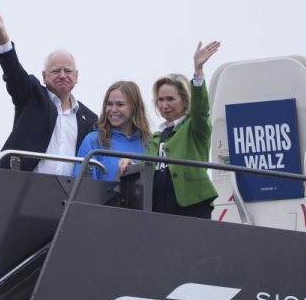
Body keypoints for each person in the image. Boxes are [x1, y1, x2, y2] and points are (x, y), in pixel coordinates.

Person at [0, 4, 97, 175]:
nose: (62, 75)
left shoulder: (89, 118)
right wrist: (2, 34)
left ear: (76, 76)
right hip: (24, 189)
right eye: (55, 71)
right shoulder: (32, 95)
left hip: (68, 195)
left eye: (67, 71)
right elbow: (13, 72)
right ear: (44, 76)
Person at [146, 41, 220, 218]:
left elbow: (201, 109)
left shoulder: (195, 126)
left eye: (170, 99)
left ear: (186, 101)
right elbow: (147, 169)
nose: (164, 105)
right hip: (158, 205)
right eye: (161, 99)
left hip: (191, 205)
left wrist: (198, 71)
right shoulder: (156, 136)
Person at [73, 81, 151, 181]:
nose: (113, 109)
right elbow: (84, 188)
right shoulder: (94, 140)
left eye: (120, 104)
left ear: (134, 107)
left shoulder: (150, 143)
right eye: (109, 104)